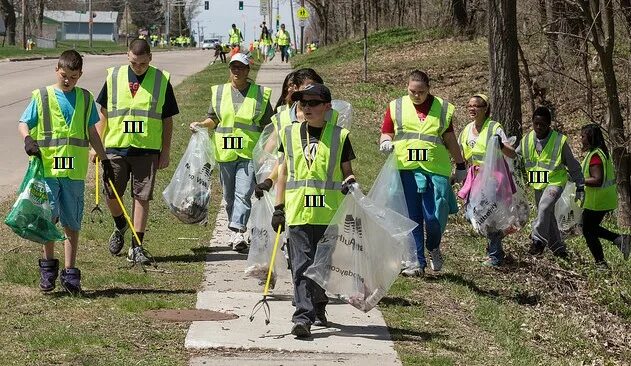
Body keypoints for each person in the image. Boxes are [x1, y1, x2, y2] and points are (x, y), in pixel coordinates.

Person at [18, 50, 110, 294]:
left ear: (80, 75)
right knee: (49, 218)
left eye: (73, 76)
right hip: (48, 170)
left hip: (74, 173)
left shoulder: (85, 98)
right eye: (64, 75)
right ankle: (48, 269)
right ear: (56, 71)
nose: (68, 80)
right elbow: (23, 122)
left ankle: (70, 274)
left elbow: (91, 132)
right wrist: (27, 139)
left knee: (72, 221)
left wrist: (104, 159)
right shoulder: (43, 96)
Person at [271, 83, 357, 338]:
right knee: (300, 265)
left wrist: (350, 183)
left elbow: (347, 172)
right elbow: (284, 173)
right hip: (298, 211)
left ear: (327, 107)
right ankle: (302, 317)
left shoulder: (339, 136)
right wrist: (279, 206)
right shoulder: (289, 134)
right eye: (302, 103)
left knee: (321, 266)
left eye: (313, 103)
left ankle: (318, 304)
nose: (306, 108)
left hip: (327, 213)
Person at [93, 39, 179, 264]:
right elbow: (104, 112)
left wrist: (166, 151)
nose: (138, 67)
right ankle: (121, 223)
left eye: (142, 63)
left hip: (146, 149)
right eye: (133, 62)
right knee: (111, 193)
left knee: (141, 197)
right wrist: (98, 145)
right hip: (115, 146)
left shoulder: (161, 80)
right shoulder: (113, 77)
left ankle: (137, 245)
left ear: (150, 57)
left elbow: (167, 120)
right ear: (127, 55)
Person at [378, 70, 464, 276]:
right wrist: (385, 142)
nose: (416, 96)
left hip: (434, 169)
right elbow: (386, 132)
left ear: (429, 89)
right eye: (412, 91)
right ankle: (417, 262)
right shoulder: (396, 106)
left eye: (421, 92)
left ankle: (433, 245)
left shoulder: (442, 109)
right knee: (412, 216)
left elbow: (450, 139)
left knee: (434, 216)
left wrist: (461, 164)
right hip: (406, 167)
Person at [190, 53, 273, 252]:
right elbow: (214, 119)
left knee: (243, 193)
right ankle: (234, 229)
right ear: (230, 70)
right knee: (229, 196)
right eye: (234, 67)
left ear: (248, 70)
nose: (237, 71)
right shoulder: (219, 92)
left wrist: (267, 151)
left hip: (248, 152)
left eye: (241, 68)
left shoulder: (260, 94)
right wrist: (202, 124)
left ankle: (238, 232)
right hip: (225, 152)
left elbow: (268, 126)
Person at [458, 94, 517, 267]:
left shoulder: (494, 128)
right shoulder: (467, 130)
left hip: (492, 178)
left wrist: (500, 144)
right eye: (469, 105)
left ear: (485, 109)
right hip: (474, 177)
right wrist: (456, 174)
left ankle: (495, 255)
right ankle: (498, 237)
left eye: (476, 106)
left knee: (487, 215)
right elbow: (462, 155)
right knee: (471, 215)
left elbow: (511, 152)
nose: (472, 108)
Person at [517, 106, 584, 258]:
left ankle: (538, 241)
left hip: (555, 180)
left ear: (549, 124)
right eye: (536, 124)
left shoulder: (559, 141)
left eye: (542, 124)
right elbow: (516, 158)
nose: (539, 127)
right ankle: (559, 249)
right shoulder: (527, 139)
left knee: (544, 206)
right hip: (537, 181)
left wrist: (580, 185)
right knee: (547, 214)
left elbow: (573, 165)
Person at [579, 124, 630, 268]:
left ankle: (602, 262)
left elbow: (597, 179)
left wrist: (579, 180)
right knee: (590, 229)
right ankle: (619, 241)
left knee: (588, 230)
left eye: (583, 136)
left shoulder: (596, 155)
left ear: (590, 137)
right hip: (603, 199)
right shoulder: (598, 152)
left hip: (598, 201)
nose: (580, 139)